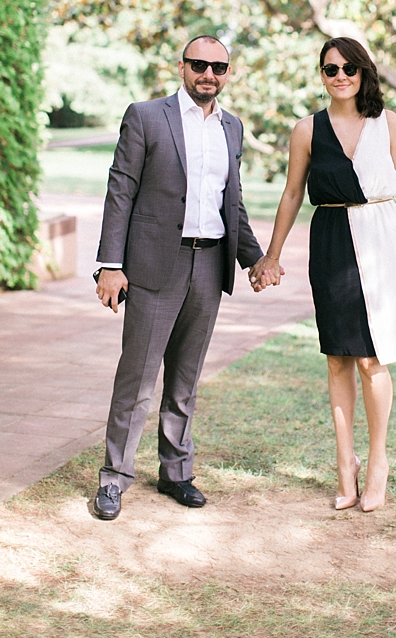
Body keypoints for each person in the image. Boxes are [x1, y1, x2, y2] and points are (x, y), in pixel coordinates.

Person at [250, 37, 396, 512]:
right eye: (331, 70)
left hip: (381, 235)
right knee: (337, 359)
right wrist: (271, 255)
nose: (341, 77)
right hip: (331, 241)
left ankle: (377, 463)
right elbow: (291, 195)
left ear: (363, 71)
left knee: (374, 358)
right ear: (322, 75)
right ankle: (344, 463)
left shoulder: (386, 122)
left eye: (349, 68)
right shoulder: (306, 130)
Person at [93, 35, 272, 520]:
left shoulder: (232, 128)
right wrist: (111, 264)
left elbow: (230, 202)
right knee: (138, 379)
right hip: (154, 266)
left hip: (209, 265)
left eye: (218, 67)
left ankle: (176, 473)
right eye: (199, 64)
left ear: (227, 73)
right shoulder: (147, 116)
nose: (208, 74)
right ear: (182, 67)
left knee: (186, 381)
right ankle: (114, 478)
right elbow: (121, 190)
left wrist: (254, 258)